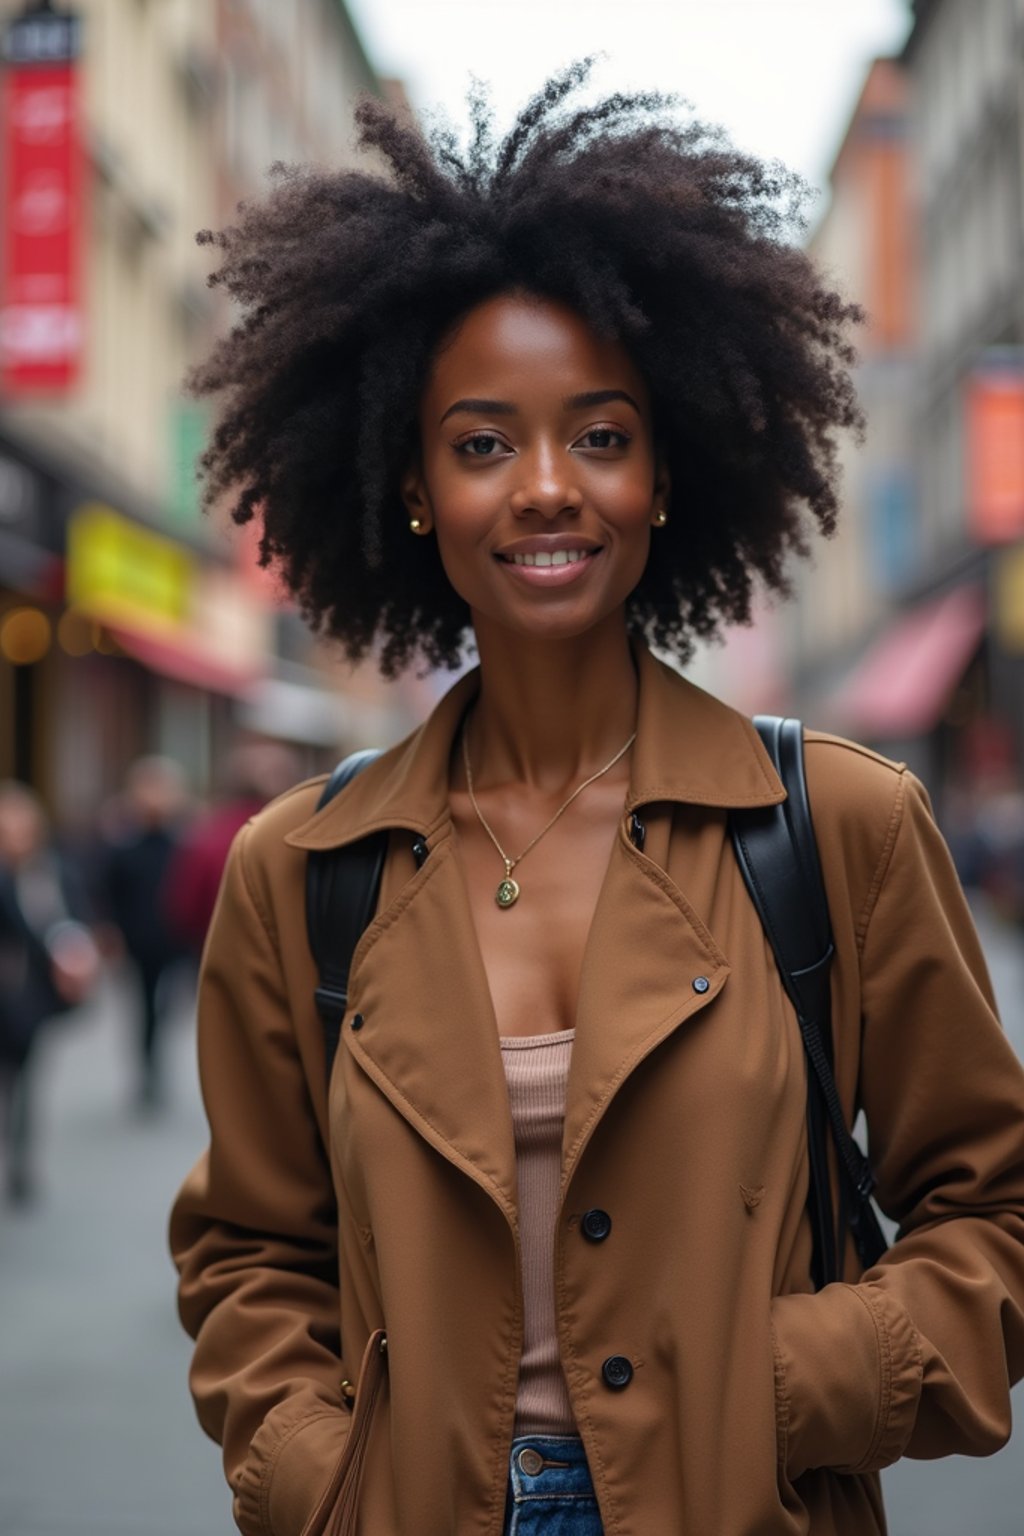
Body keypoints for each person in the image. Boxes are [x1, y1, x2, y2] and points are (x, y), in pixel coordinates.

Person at [169, 66, 1024, 1536]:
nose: (548, 486)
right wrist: (325, 1475)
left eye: (605, 435)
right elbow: (251, 1254)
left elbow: (994, 1220)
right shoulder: (300, 869)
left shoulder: (836, 827)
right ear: (415, 484)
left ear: (669, 473)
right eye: (485, 441)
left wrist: (778, 1390)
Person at [0, 782, 99, 1203]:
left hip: (28, 1002)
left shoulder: (53, 870)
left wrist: (76, 949)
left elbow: (71, 916)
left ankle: (21, 1159)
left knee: (24, 1082)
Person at [101, 756, 188, 1108]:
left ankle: (156, 1064)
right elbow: (110, 893)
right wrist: (110, 933)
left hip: (172, 939)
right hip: (137, 939)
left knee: (166, 1006)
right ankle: (147, 1069)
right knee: (143, 1006)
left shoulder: (182, 843)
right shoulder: (124, 845)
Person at [163, 740, 302, 958]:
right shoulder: (302, 831)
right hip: (289, 956)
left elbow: (185, 907)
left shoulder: (211, 831)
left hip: (218, 950)